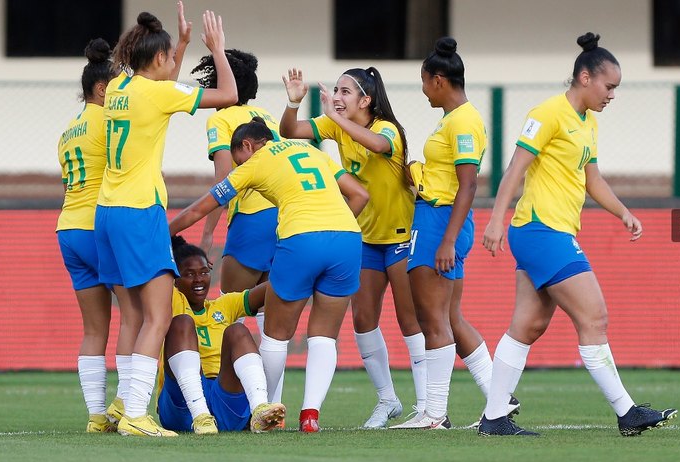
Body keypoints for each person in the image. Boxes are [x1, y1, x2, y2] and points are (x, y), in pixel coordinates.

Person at [479, 33, 677, 436]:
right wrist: (496, 219)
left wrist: (623, 212)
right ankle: (627, 412)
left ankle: (494, 418)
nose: (612, 95)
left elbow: (593, 179)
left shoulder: (588, 123)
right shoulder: (548, 113)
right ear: (585, 78)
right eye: (609, 86)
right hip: (540, 229)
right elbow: (515, 169)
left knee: (528, 325)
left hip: (550, 231)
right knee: (595, 316)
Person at [170, 117, 369, 432]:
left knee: (276, 333)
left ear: (248, 146)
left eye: (238, 159)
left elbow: (200, 208)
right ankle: (310, 417)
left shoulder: (256, 161)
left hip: (301, 236)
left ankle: (265, 412)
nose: (239, 166)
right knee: (323, 335)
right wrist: (334, 227)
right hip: (347, 237)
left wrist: (165, 234)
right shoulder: (313, 152)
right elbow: (360, 195)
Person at [95, 6, 238, 437]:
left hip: (107, 210)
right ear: (157, 60)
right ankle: (137, 414)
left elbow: (163, 78)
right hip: (140, 211)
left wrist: (182, 42)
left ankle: (122, 407)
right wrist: (217, 50)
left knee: (134, 316)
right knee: (158, 316)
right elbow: (228, 94)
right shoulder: (158, 94)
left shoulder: (119, 86)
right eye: (169, 57)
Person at [279, 67, 426, 428]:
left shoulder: (385, 128)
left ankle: (427, 407)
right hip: (364, 236)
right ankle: (387, 400)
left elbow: (378, 146)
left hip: (401, 235)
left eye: (346, 92)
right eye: (337, 91)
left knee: (409, 320)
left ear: (366, 100)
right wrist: (293, 103)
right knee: (363, 321)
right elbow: (289, 132)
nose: (338, 98)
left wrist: (333, 118)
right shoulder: (335, 124)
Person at [390, 37, 513, 430]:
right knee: (453, 319)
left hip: (440, 222)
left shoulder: (463, 121)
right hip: (441, 217)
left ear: (439, 79)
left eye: (425, 81)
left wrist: (445, 239)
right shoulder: (454, 118)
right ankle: (500, 399)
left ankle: (434, 414)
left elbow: (468, 185)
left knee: (433, 320)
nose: (424, 89)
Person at [192, 49, 285, 405]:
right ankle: (271, 403)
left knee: (229, 314)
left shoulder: (221, 119)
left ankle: (226, 403)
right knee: (271, 320)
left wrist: (206, 233)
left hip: (250, 219)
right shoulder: (267, 117)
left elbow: (224, 179)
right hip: (282, 219)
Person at [56, 38, 139, 433]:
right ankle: (124, 403)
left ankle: (95, 416)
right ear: (103, 89)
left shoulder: (69, 130)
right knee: (137, 314)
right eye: (119, 87)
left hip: (68, 228)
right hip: (98, 225)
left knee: (93, 329)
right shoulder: (107, 121)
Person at [156, 236, 286, 434]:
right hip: (181, 406)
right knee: (182, 322)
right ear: (174, 279)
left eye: (204, 272)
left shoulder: (223, 305)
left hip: (222, 395)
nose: (198, 279)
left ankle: (259, 408)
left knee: (238, 330)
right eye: (189, 274)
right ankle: (200, 415)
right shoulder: (170, 301)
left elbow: (268, 290)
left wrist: (297, 265)